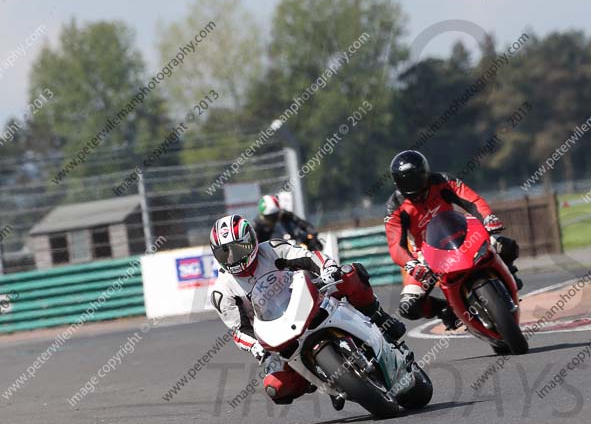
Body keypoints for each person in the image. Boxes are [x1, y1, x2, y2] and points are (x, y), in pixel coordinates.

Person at [209, 214, 405, 409]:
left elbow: (309, 258)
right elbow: (239, 330)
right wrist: (256, 347)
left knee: (349, 273)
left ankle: (379, 317)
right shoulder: (222, 290)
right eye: (224, 253)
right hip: (277, 333)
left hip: (307, 299)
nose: (232, 258)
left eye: (237, 249)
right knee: (275, 388)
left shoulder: (272, 249)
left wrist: (328, 268)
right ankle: (321, 377)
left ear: (251, 241)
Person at [384, 150, 521, 330]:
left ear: (425, 172)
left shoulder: (443, 181)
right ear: (397, 182)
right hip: (427, 256)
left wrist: (488, 218)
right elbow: (396, 246)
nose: (415, 188)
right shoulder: (394, 206)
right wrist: (412, 265)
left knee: (506, 245)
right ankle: (445, 309)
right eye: (406, 181)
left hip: (464, 236)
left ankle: (509, 272)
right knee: (408, 307)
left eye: (416, 178)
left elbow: (473, 201)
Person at [253, 194, 320, 249]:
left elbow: (302, 223)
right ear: (263, 216)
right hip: (272, 254)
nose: (274, 219)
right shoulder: (257, 226)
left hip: (293, 245)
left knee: (316, 246)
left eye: (275, 215)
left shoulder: (285, 215)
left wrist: (312, 233)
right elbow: (255, 245)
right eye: (270, 216)